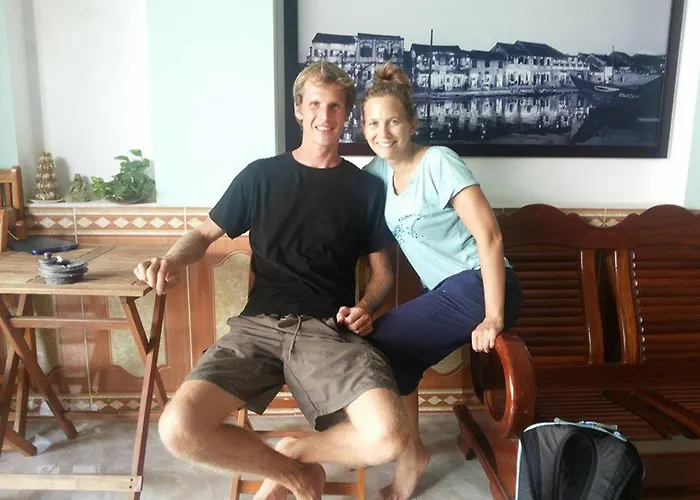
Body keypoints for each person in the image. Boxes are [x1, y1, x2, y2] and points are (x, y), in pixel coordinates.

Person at [134, 61, 408, 500]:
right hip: (256, 328)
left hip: (328, 332)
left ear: (347, 114)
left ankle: (295, 452)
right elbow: (202, 235)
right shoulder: (260, 176)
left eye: (334, 106)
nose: (324, 115)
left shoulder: (367, 189)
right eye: (314, 104)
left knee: (389, 436)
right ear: (298, 109)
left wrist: (366, 307)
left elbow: (383, 275)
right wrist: (168, 259)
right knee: (178, 428)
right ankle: (298, 477)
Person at [360, 62, 524, 500]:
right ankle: (410, 451)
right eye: (373, 123)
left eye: (393, 121)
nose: (383, 132)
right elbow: (338, 197)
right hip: (450, 291)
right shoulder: (377, 174)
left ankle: (409, 453)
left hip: (481, 285)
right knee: (393, 351)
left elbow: (490, 236)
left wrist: (493, 317)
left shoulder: (438, 162)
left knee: (384, 339)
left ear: (412, 123)